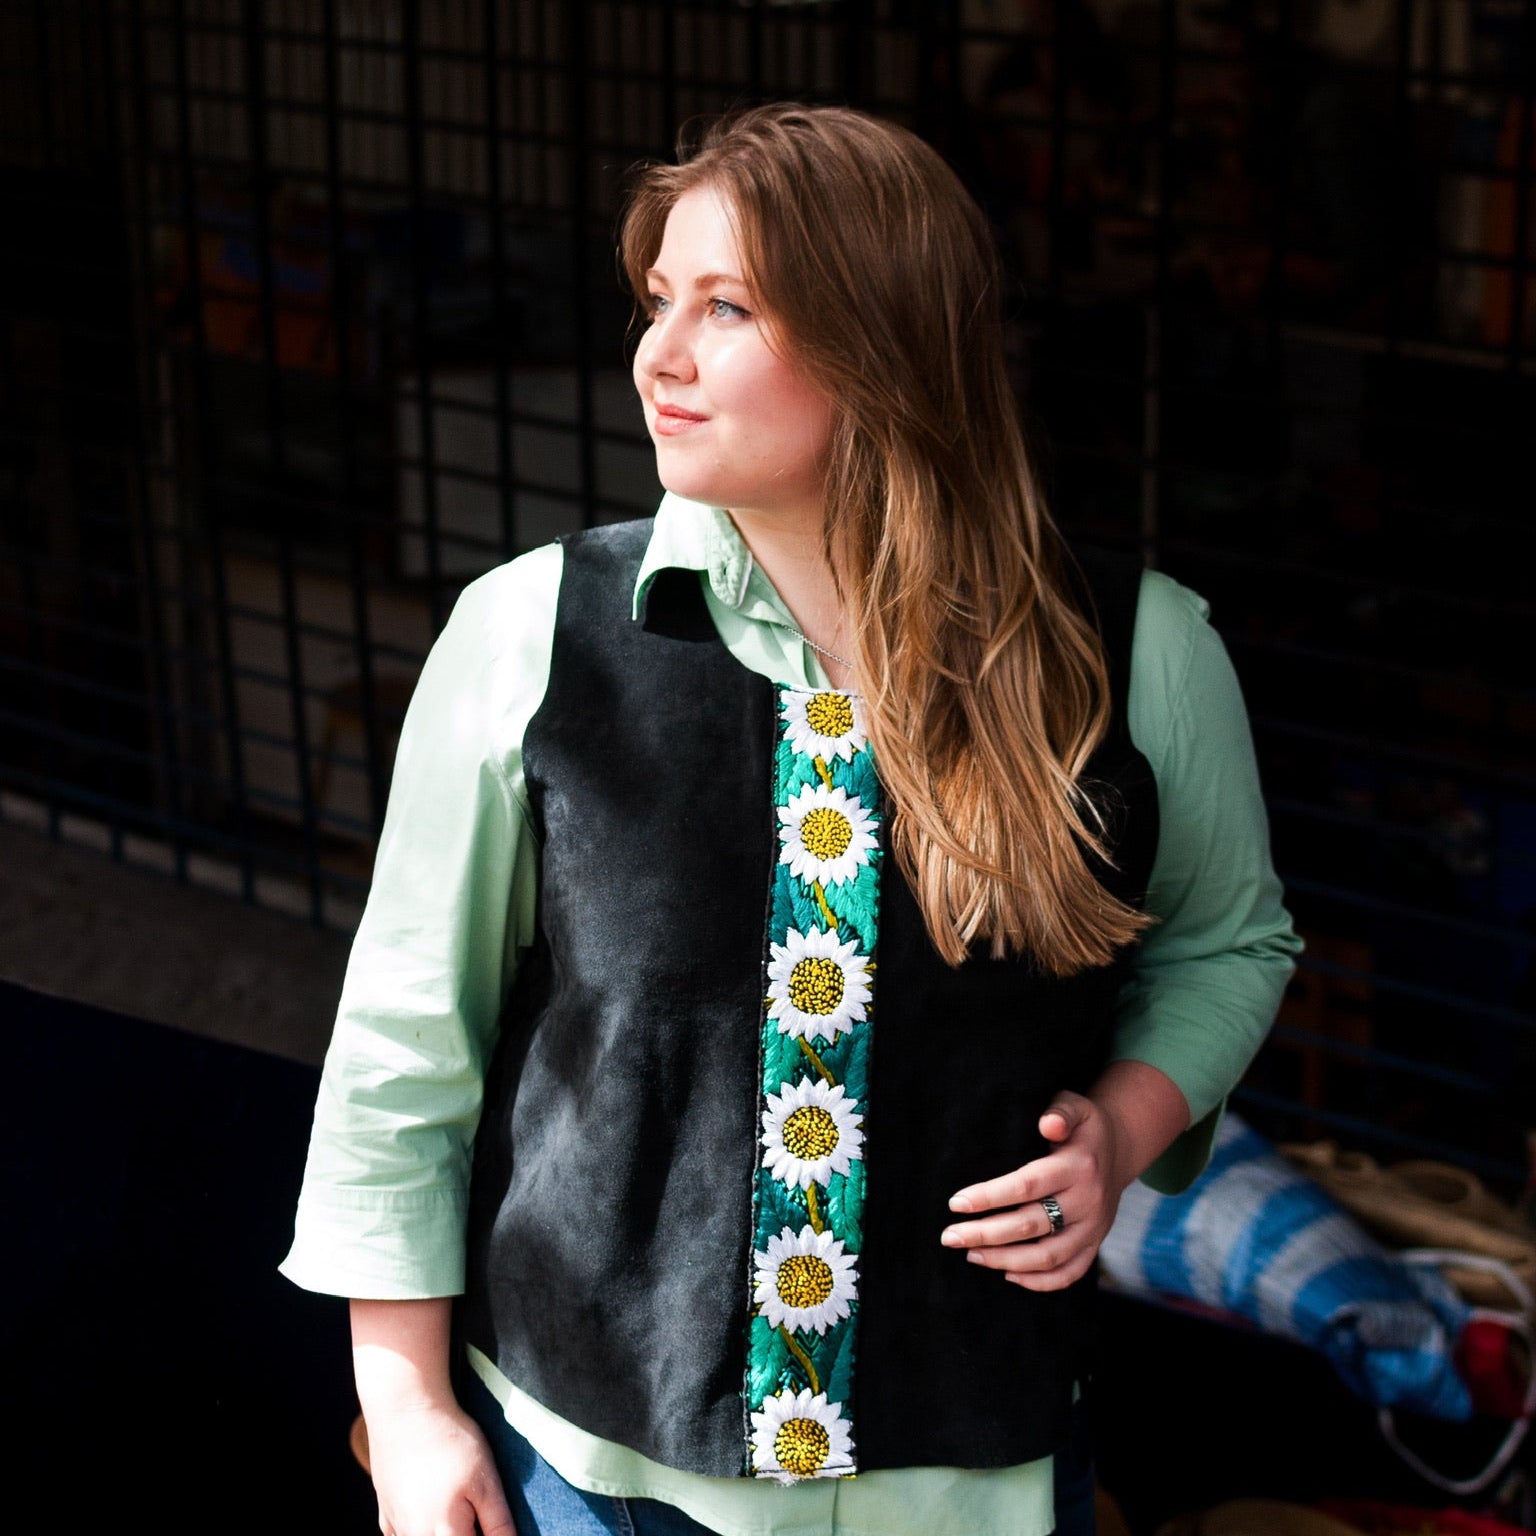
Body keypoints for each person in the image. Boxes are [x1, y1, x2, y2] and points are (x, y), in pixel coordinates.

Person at [282, 103, 1300, 1536]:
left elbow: (1228, 943)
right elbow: (406, 1043)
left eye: (728, 307)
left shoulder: (1135, 651)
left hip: (977, 1477)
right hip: (585, 1475)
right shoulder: (530, 635)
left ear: (883, 342)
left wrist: (1123, 1133)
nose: (659, 355)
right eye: (657, 301)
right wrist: (409, 1406)